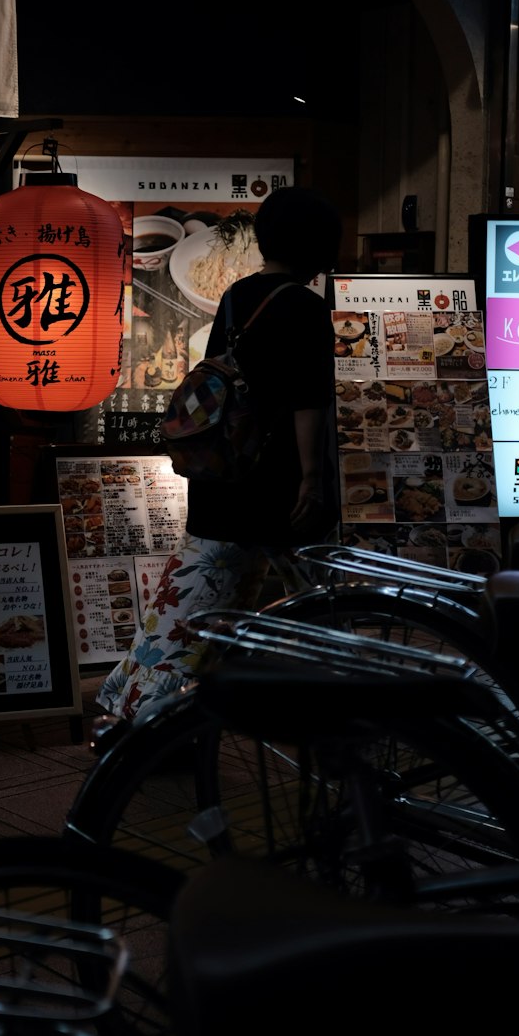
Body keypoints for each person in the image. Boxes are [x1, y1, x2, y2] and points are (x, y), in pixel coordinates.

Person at [94, 185, 343, 726]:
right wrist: (312, 481)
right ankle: (339, 715)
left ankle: (133, 708)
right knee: (322, 604)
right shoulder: (306, 307)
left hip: (223, 474)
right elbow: (309, 402)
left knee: (192, 606)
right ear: (319, 245)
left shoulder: (235, 295)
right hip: (278, 483)